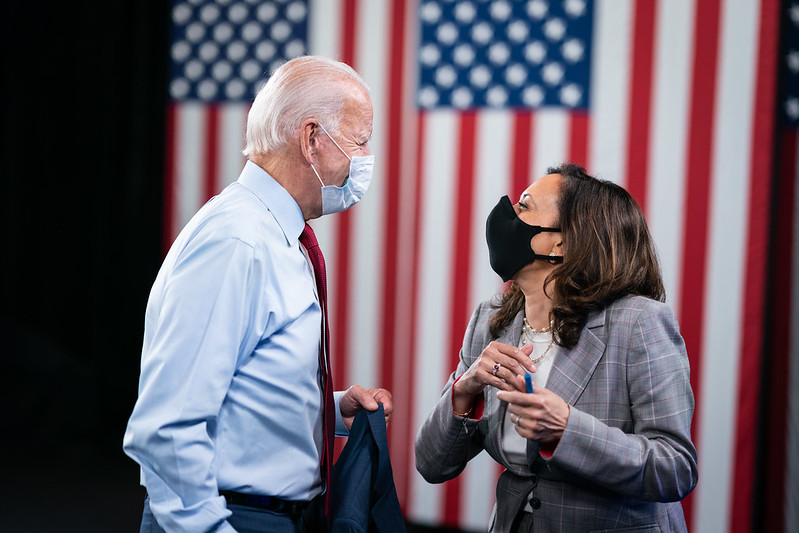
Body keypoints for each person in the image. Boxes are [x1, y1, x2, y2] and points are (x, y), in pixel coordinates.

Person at [123, 55, 393, 533]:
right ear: (311, 138)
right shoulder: (238, 242)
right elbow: (166, 429)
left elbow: (236, 387)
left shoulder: (272, 234)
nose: (366, 158)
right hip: (229, 517)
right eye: (360, 140)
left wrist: (327, 408)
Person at [415, 163, 698, 532]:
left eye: (524, 207)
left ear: (561, 243)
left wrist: (567, 429)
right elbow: (432, 465)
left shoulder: (639, 322)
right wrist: (463, 392)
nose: (506, 217)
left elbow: (674, 468)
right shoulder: (490, 320)